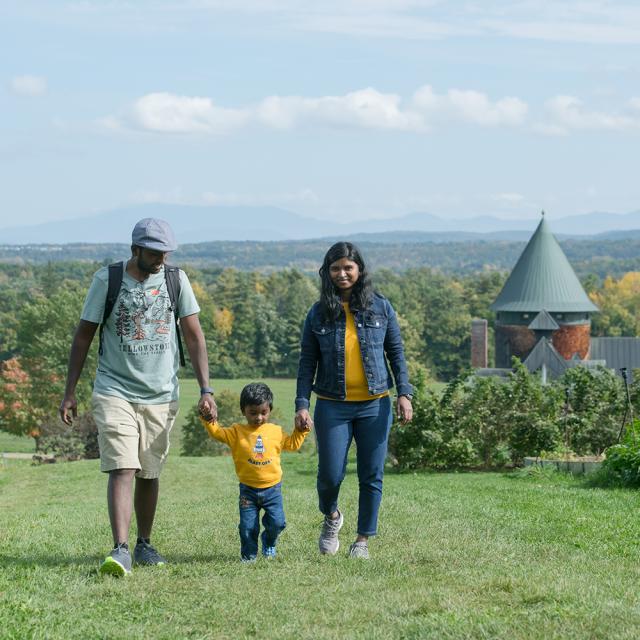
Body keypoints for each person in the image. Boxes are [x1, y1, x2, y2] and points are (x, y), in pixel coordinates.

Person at [59, 218, 217, 577]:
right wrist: (69, 391)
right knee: (123, 466)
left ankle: (145, 544)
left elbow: (194, 336)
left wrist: (206, 389)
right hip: (115, 388)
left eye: (165, 252)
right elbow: (83, 336)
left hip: (162, 393)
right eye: (153, 252)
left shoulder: (177, 280)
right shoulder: (108, 279)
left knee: (149, 471)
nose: (160, 258)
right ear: (135, 250)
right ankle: (121, 548)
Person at [295, 241, 413, 560]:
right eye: (335, 268)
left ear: (359, 270)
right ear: (327, 272)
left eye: (348, 267)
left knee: (371, 474)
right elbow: (307, 361)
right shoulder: (318, 312)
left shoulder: (381, 307)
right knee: (330, 474)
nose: (342, 273)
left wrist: (404, 392)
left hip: (376, 404)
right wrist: (302, 404)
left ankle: (362, 541)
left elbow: (396, 353)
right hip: (332, 405)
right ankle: (332, 516)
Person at [200, 382, 309, 562]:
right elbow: (217, 433)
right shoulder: (237, 432)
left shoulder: (275, 431)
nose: (258, 417)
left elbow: (293, 444)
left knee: (278, 523)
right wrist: (207, 417)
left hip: (273, 490)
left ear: (270, 410)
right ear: (243, 411)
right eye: (253, 413)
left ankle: (269, 541)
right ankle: (249, 556)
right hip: (248, 491)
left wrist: (301, 431)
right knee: (247, 527)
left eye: (263, 412)